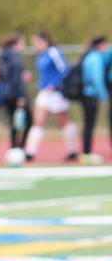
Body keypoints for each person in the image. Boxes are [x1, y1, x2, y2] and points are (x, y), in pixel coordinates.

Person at [24, 30, 77, 162]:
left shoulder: (54, 52)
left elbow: (65, 69)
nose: (34, 45)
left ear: (44, 41)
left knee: (63, 121)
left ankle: (72, 151)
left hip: (56, 93)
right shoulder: (39, 55)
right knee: (38, 122)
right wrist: (41, 83)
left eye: (36, 42)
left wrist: (55, 84)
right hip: (44, 93)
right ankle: (30, 152)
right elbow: (45, 74)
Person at [0, 33, 31, 149]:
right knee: (28, 121)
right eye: (22, 43)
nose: (24, 46)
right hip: (16, 95)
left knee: (14, 123)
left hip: (6, 94)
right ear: (15, 44)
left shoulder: (3, 56)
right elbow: (16, 79)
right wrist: (21, 97)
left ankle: (13, 147)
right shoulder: (15, 58)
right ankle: (19, 147)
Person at [81, 35, 109, 163]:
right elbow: (97, 79)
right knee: (89, 125)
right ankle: (87, 153)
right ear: (100, 45)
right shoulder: (96, 58)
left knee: (87, 124)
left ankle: (86, 152)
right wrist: (103, 95)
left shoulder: (88, 56)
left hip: (86, 94)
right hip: (91, 95)